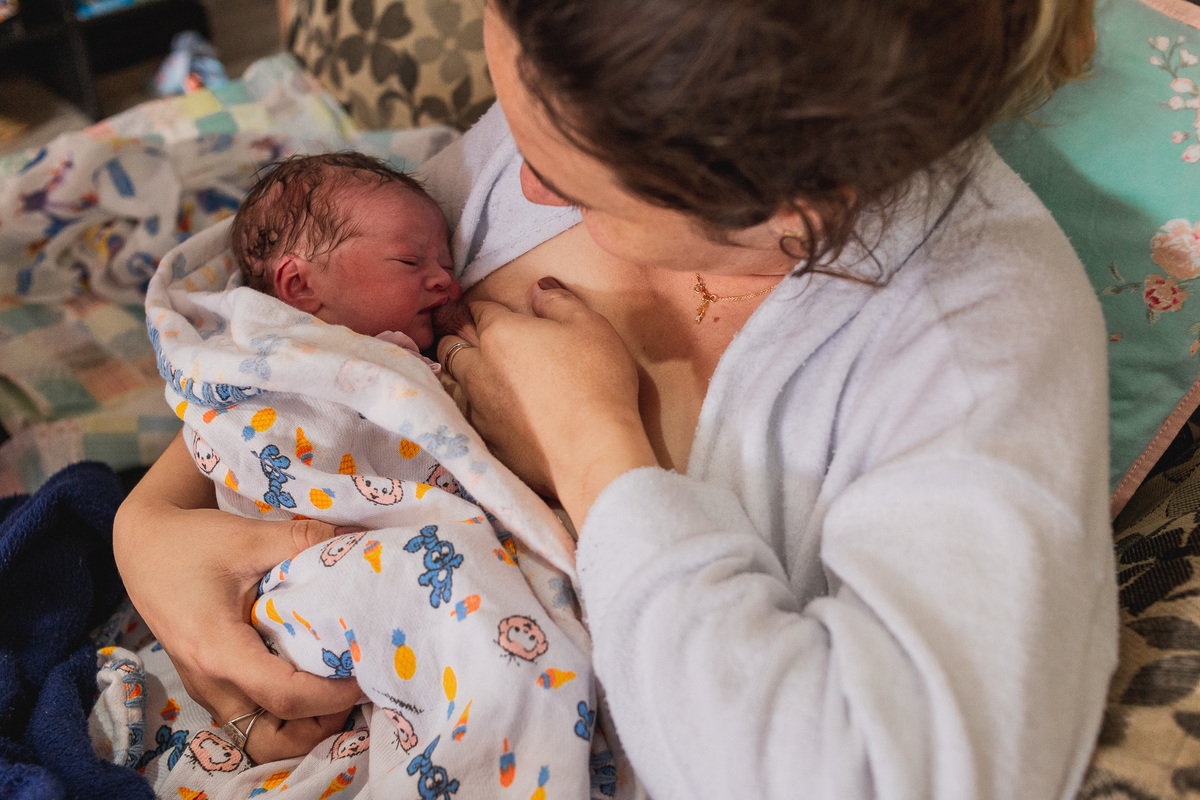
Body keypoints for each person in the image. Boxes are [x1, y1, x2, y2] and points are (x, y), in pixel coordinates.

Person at [114, 0, 1118, 798]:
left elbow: (875, 772)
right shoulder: (575, 77)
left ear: (789, 205)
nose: (520, 182)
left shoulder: (968, 349)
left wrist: (592, 447)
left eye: (576, 183)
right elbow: (309, 343)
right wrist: (151, 524)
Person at [93, 151, 595, 796]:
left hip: (396, 562)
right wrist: (144, 527)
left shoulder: (401, 356)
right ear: (299, 286)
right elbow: (228, 437)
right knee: (453, 595)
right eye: (411, 263)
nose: (445, 282)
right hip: (299, 572)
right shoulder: (272, 361)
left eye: (446, 264)